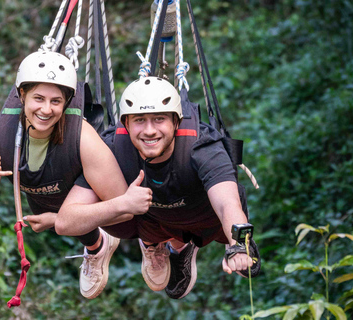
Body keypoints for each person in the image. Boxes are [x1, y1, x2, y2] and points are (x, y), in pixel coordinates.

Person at [0, 51, 151, 300]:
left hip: (83, 186)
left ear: (66, 103)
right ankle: (96, 245)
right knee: (50, 210)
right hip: (42, 194)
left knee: (74, 216)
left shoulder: (82, 137)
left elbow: (123, 208)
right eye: (38, 98)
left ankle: (115, 244)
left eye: (55, 101)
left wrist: (61, 220)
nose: (46, 109)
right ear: (22, 96)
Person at [56, 76, 260, 299]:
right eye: (140, 120)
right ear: (126, 124)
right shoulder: (113, 148)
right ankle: (165, 244)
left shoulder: (203, 146)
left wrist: (239, 244)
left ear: (176, 122)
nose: (150, 130)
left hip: (202, 215)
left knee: (229, 215)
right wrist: (121, 204)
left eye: (159, 119)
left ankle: (183, 246)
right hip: (154, 220)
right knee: (118, 218)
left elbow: (226, 202)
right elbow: (65, 222)